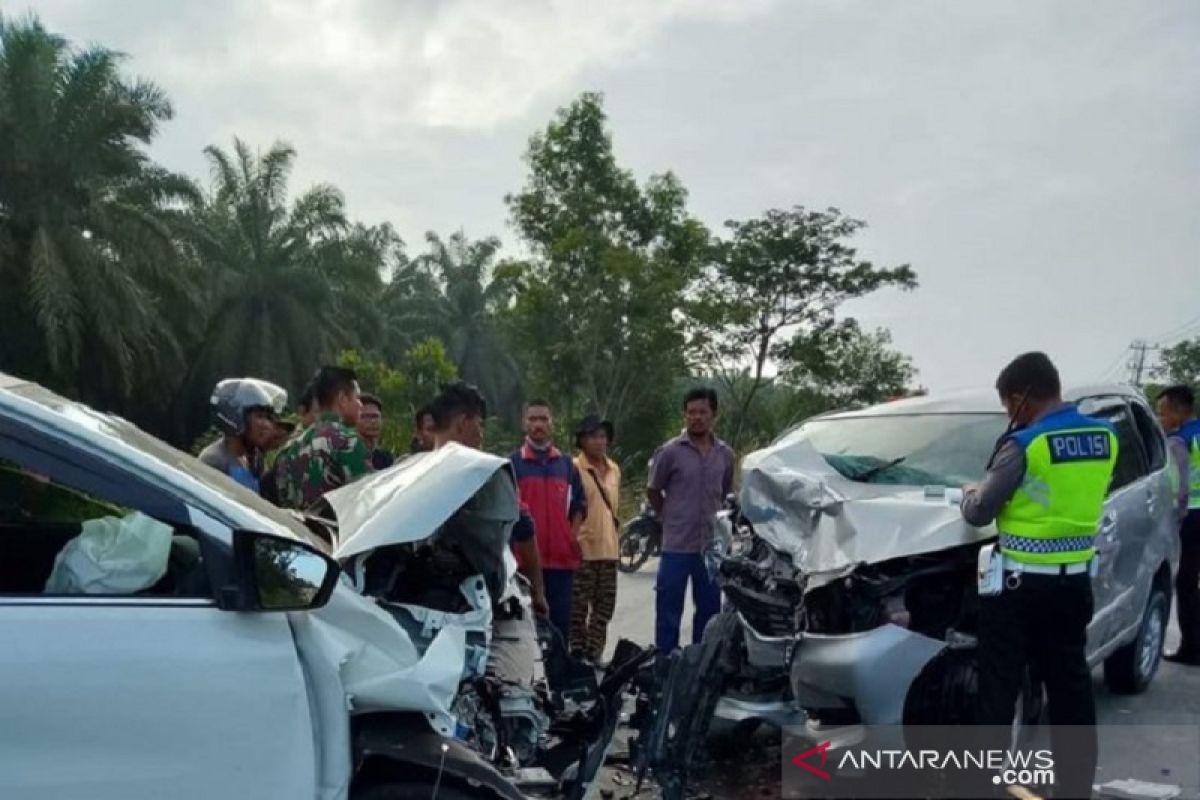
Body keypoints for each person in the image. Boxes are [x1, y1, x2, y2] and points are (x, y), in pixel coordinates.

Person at [961, 352, 1116, 799]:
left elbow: (980, 511)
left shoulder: (1025, 445)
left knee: (997, 692)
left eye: (1008, 405)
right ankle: (1075, 789)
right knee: (1070, 692)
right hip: (1072, 585)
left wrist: (969, 492)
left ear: (1022, 396)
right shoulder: (1106, 437)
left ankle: (982, 788)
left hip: (1018, 590)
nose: (1010, 414)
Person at [430, 382, 549, 617]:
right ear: (464, 422)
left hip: (418, 605)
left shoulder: (408, 471)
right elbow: (523, 529)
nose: (481, 432)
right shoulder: (484, 473)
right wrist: (538, 594)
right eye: (479, 424)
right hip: (477, 605)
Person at [647, 387, 735, 654]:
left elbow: (727, 492)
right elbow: (653, 489)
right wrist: (669, 517)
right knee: (668, 610)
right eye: (691, 412)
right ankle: (665, 667)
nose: (697, 417)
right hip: (676, 546)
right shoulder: (670, 452)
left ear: (714, 415)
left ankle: (701, 666)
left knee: (709, 613)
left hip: (710, 550)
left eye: (703, 412)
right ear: (684, 416)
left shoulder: (725, 455)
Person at [511, 400, 586, 642]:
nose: (538, 424)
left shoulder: (566, 465)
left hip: (561, 566)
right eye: (533, 419)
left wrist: (570, 536)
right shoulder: (512, 465)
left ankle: (560, 679)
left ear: (552, 423)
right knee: (526, 633)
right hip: (525, 565)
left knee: (560, 631)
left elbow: (579, 505)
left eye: (543, 419)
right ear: (525, 424)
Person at [275, 365, 372, 511]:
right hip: (337, 532)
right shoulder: (347, 442)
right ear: (342, 399)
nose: (361, 405)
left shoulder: (289, 449)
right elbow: (366, 502)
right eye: (357, 398)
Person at [570, 414, 621, 663]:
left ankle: (594, 654)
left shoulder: (614, 470)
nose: (598, 442)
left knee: (603, 610)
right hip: (583, 551)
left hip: (609, 551)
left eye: (602, 436)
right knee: (578, 610)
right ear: (582, 440)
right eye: (592, 436)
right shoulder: (573, 468)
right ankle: (577, 657)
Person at [1157, 384, 1200, 664]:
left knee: (1185, 583)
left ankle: (1191, 649)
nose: (1161, 418)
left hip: (1193, 517)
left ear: (1178, 410)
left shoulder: (1179, 440)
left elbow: (1181, 488)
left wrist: (1175, 518)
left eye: (1163, 412)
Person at [199, 378, 286, 492]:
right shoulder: (214, 461)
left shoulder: (254, 458)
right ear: (237, 417)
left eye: (267, 418)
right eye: (260, 416)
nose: (267, 425)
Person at [357, 393, 395, 471]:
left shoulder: (386, 458)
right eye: (366, 417)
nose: (373, 421)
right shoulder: (348, 455)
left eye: (376, 416)